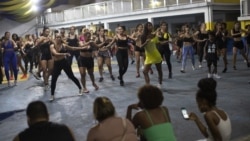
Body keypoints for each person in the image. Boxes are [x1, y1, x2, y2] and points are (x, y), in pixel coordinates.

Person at [49, 35, 86, 101]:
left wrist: (82, 48)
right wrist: (65, 54)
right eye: (57, 37)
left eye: (59, 37)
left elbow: (73, 48)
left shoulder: (64, 45)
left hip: (64, 62)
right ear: (55, 39)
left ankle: (80, 89)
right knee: (53, 79)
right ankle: (52, 95)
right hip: (57, 64)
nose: (58, 38)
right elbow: (55, 53)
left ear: (61, 39)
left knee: (71, 76)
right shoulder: (52, 46)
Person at [140, 22, 163, 88]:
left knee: (159, 70)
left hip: (156, 54)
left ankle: (160, 84)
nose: (150, 26)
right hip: (149, 56)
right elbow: (141, 47)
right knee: (144, 71)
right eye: (148, 25)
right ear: (146, 27)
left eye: (151, 25)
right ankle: (148, 86)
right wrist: (146, 42)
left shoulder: (155, 35)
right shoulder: (143, 36)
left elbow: (158, 43)